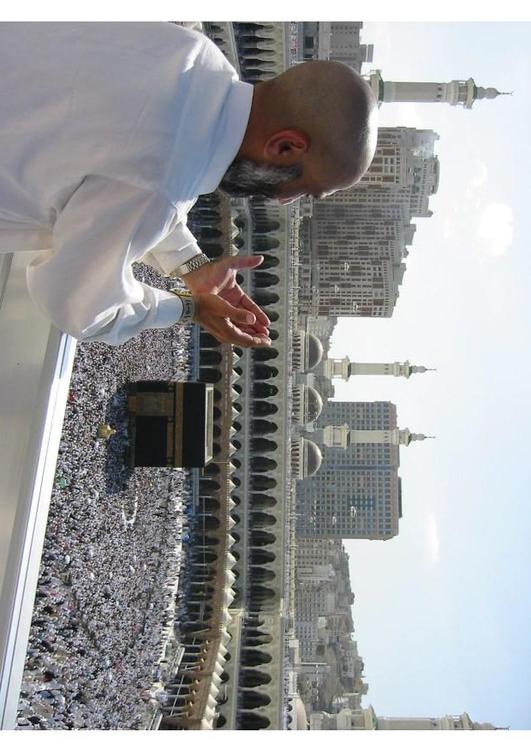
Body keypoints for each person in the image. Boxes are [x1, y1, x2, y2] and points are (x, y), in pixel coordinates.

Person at [0, 23, 377, 347]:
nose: (283, 200)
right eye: (301, 187)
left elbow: (119, 170)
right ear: (285, 146)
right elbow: (78, 305)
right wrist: (188, 307)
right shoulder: (163, 182)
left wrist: (190, 265)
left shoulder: (191, 51)